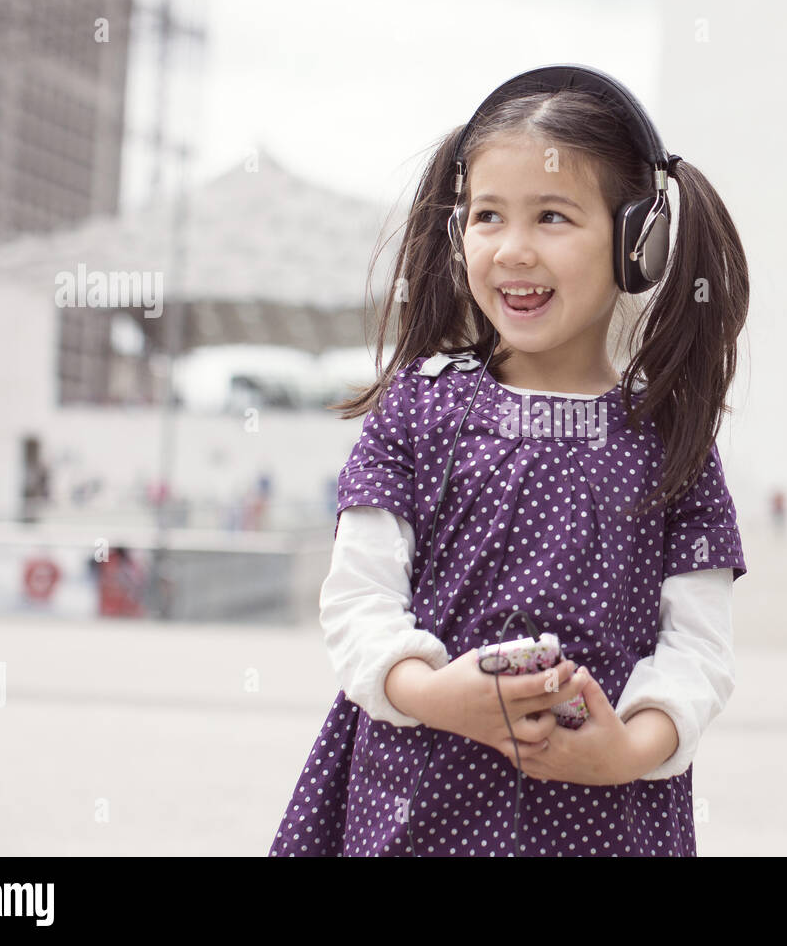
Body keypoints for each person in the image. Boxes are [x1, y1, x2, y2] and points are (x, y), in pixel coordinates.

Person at [269, 65, 750, 857]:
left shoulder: (673, 441)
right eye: (488, 215)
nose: (514, 250)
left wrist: (628, 748)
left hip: (607, 826)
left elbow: (699, 651)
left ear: (638, 243)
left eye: (553, 217)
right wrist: (431, 693)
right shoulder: (416, 413)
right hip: (412, 813)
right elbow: (357, 605)